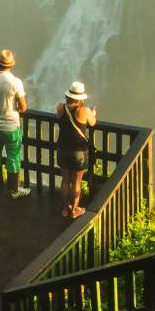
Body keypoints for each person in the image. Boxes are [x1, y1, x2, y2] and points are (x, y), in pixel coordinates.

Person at [0, 49, 30, 198]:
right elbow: (23, 107)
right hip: (11, 127)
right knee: (13, 157)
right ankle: (14, 190)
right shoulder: (16, 82)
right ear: (12, 64)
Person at [55, 81, 97, 218]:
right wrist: (93, 113)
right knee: (76, 181)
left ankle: (65, 209)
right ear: (81, 98)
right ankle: (74, 210)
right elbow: (92, 123)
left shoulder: (60, 107)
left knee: (65, 180)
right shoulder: (83, 111)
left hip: (62, 148)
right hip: (79, 151)